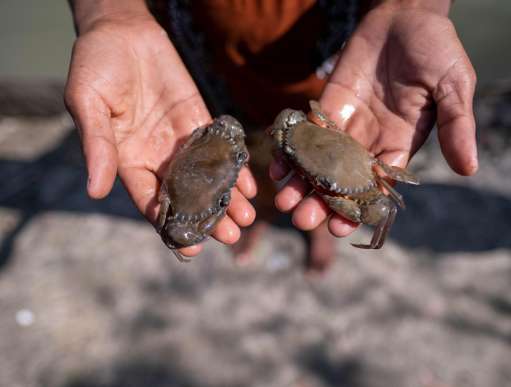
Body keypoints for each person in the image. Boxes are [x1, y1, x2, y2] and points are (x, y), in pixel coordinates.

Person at [65, 0, 478, 265]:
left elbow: (378, 195)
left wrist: (413, 6)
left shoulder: (358, 151)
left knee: (308, 185)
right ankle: (258, 216)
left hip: (345, 62)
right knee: (250, 156)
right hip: (203, 50)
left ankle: (314, 229)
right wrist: (110, 13)